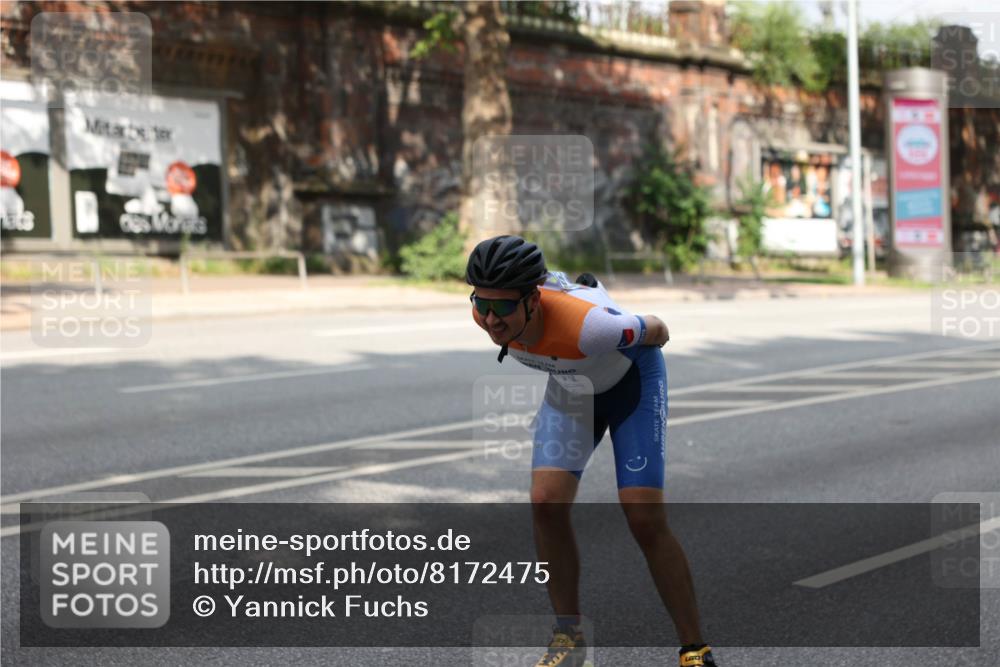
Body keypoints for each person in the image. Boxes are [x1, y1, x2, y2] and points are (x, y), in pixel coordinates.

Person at [466, 235, 717, 667]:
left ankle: (695, 649)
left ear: (532, 300)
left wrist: (602, 305)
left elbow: (658, 329)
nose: (491, 318)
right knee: (545, 502)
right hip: (571, 392)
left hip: (629, 381)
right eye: (481, 303)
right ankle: (568, 636)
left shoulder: (591, 327)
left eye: (504, 307)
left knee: (642, 516)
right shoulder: (492, 316)